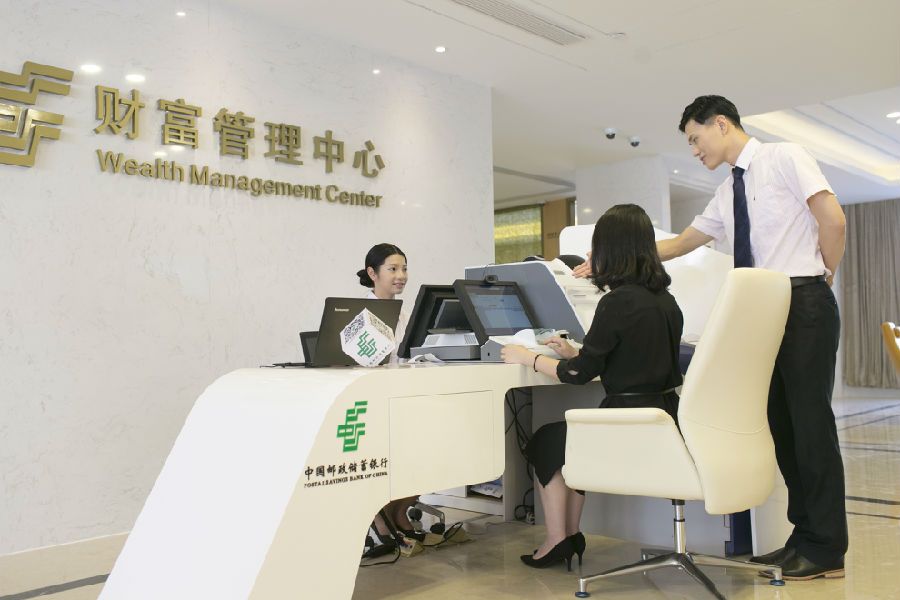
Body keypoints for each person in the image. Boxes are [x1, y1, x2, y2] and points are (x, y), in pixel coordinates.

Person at [657, 95, 847, 580]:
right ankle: (804, 537)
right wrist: (612, 255)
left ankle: (827, 548)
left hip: (801, 300)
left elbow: (833, 219)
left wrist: (824, 274)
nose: (694, 151)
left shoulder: (784, 157)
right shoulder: (727, 192)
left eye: (695, 139)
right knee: (782, 426)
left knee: (810, 425)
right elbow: (679, 244)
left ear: (721, 123)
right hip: (762, 312)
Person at [502, 204, 683, 570]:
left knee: (546, 441)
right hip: (664, 421)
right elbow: (634, 357)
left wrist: (528, 357)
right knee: (566, 440)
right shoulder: (666, 301)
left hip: (627, 425)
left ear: (610, 249)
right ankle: (570, 536)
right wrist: (575, 352)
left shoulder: (617, 301)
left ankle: (558, 539)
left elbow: (576, 375)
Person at [355, 243, 422, 552]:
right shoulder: (360, 314)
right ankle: (380, 517)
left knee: (424, 450)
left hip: (405, 397)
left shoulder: (405, 313)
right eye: (393, 269)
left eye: (404, 268)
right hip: (376, 403)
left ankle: (399, 511)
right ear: (373, 273)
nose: (401, 275)